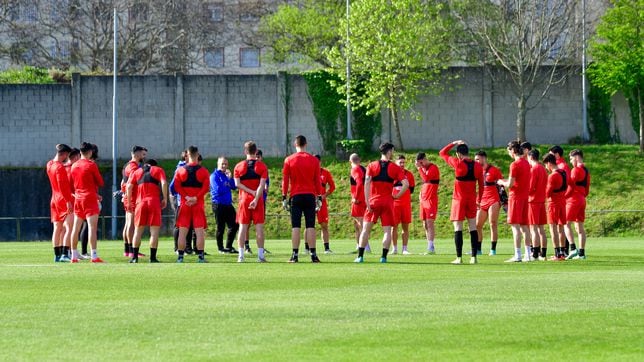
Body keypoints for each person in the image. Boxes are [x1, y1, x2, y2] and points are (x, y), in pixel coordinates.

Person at [354, 142, 409, 263]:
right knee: (387, 231)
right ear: (389, 151)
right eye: (392, 151)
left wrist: (367, 202)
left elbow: (367, 183)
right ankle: (383, 257)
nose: (393, 153)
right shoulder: (395, 168)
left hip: (373, 202)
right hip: (388, 203)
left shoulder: (371, 165)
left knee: (365, 230)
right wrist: (396, 196)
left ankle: (360, 256)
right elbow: (406, 184)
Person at [439, 140, 484, 264]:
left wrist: (454, 143)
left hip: (458, 200)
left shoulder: (457, 163)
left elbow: (442, 153)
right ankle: (474, 257)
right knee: (473, 227)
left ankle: (459, 257)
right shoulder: (478, 166)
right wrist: (479, 199)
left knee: (458, 228)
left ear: (458, 154)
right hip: (471, 200)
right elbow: (481, 186)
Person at [282, 135, 323, 263]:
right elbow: (317, 180)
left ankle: (295, 255)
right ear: (306, 144)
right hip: (310, 195)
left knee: (296, 226)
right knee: (310, 225)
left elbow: (285, 180)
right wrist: (319, 196)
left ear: (295, 144)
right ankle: (313, 254)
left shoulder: (289, 160)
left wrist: (284, 196)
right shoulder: (314, 160)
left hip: (296, 195)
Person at [173, 145, 210, 263]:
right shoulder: (203, 171)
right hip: (198, 204)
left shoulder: (180, 170)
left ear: (187, 155)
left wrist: (187, 197)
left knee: (182, 233)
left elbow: (176, 187)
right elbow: (206, 188)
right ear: (198, 155)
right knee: (199, 232)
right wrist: (196, 197)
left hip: (185, 204)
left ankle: (180, 257)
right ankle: (200, 257)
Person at [126, 159, 168, 263]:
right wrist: (165, 198)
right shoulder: (158, 170)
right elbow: (163, 183)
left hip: (140, 203)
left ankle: (134, 258)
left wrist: (129, 202)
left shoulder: (137, 172)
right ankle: (152, 258)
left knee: (137, 231)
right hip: (154, 202)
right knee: (154, 232)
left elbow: (129, 187)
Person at [70, 142, 105, 263]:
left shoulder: (74, 166)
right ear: (90, 152)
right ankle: (94, 256)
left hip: (78, 198)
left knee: (76, 227)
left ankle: (74, 256)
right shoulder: (91, 165)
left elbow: (72, 184)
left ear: (80, 152)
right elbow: (100, 182)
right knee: (92, 228)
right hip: (89, 199)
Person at [234, 141, 269, 263]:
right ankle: (260, 256)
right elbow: (262, 185)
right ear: (256, 151)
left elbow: (237, 184)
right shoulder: (262, 166)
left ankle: (241, 256)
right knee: (259, 227)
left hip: (244, 200)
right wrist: (255, 197)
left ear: (245, 151)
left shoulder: (238, 166)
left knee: (242, 227)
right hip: (258, 200)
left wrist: (249, 192)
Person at [497, 141, 532, 262]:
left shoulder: (515, 164)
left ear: (513, 150)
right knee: (524, 227)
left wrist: (501, 182)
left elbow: (510, 184)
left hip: (516, 197)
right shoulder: (527, 163)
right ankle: (528, 254)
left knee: (515, 227)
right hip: (524, 197)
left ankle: (517, 254)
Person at [46, 143, 74, 262]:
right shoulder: (59, 168)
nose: (68, 158)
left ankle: (57, 255)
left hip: (54, 199)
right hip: (62, 199)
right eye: (67, 155)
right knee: (69, 227)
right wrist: (68, 201)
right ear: (64, 154)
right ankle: (64, 254)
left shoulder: (49, 164)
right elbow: (63, 186)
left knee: (57, 228)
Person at [474, 150, 503, 256]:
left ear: (484, 158)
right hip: (482, 201)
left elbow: (502, 185)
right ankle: (478, 249)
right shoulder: (477, 170)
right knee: (477, 225)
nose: (476, 161)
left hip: (493, 200)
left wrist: (503, 201)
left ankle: (493, 249)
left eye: (477, 159)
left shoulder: (494, 170)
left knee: (493, 223)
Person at [121, 145, 147, 258]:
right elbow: (130, 183)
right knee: (131, 224)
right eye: (142, 154)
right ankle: (132, 250)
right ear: (136, 154)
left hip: (129, 197)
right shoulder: (133, 167)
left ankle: (127, 249)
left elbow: (123, 182)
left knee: (128, 224)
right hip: (132, 197)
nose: (143, 156)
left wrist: (124, 194)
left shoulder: (127, 165)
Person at [565, 149, 591, 260]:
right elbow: (587, 188)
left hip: (573, 199)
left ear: (576, 157)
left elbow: (570, 186)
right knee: (579, 227)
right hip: (582, 199)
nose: (570, 161)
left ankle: (572, 248)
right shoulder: (586, 171)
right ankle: (581, 253)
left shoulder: (575, 170)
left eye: (571, 159)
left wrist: (564, 196)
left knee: (565, 223)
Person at [308, 154, 336, 254]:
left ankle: (326, 248)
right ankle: (307, 248)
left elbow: (332, 187)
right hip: (311, 201)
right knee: (309, 225)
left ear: (320, 162)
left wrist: (324, 195)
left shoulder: (325, 173)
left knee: (324, 225)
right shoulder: (308, 172)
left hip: (322, 203)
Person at [210, 157, 239, 254]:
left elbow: (234, 186)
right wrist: (227, 185)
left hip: (228, 204)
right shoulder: (214, 176)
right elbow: (218, 190)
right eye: (222, 164)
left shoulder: (226, 176)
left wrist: (230, 178)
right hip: (218, 204)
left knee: (235, 224)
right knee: (220, 227)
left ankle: (229, 246)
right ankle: (220, 248)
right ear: (218, 164)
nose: (224, 166)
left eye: (226, 164)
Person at [64, 148, 88, 259]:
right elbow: (70, 187)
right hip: (71, 201)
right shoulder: (70, 169)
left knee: (68, 227)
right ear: (77, 157)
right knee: (71, 227)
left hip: (66, 199)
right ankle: (68, 251)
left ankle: (70, 251)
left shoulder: (65, 168)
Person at [543, 154, 568, 261]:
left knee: (553, 228)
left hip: (553, 203)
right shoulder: (564, 172)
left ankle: (557, 254)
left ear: (549, 163)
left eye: (546, 165)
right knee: (561, 228)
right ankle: (562, 252)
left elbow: (547, 193)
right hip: (563, 202)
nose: (546, 168)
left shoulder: (553, 176)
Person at [415, 152, 440, 254]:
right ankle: (430, 245)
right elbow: (425, 183)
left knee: (430, 223)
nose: (421, 165)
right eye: (419, 163)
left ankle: (431, 247)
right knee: (425, 224)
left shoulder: (433, 168)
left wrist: (419, 168)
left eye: (421, 162)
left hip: (430, 200)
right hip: (424, 200)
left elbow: (426, 178)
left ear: (425, 159)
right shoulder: (424, 168)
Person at [549, 145, 571, 255]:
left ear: (556, 154)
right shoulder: (561, 166)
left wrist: (563, 196)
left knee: (560, 226)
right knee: (562, 226)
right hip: (562, 199)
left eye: (551, 154)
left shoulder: (562, 166)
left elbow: (567, 184)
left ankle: (563, 251)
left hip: (559, 200)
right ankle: (564, 251)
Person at [391, 155, 415, 255]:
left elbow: (412, 190)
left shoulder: (409, 175)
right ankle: (394, 249)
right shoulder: (391, 175)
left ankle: (404, 249)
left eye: (403, 162)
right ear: (395, 163)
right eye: (400, 162)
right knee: (394, 227)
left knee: (405, 227)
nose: (402, 164)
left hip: (405, 205)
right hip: (394, 205)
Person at [527, 149, 548, 261]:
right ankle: (543, 254)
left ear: (530, 157)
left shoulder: (534, 169)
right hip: (541, 200)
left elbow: (530, 187)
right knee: (541, 228)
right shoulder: (544, 169)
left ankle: (535, 254)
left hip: (533, 201)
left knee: (533, 228)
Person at [349, 153, 370, 253]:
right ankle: (358, 246)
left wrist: (356, 197)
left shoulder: (355, 169)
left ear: (350, 161)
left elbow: (359, 183)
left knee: (360, 223)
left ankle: (365, 246)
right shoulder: (363, 169)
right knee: (357, 224)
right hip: (365, 199)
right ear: (359, 160)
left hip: (359, 200)